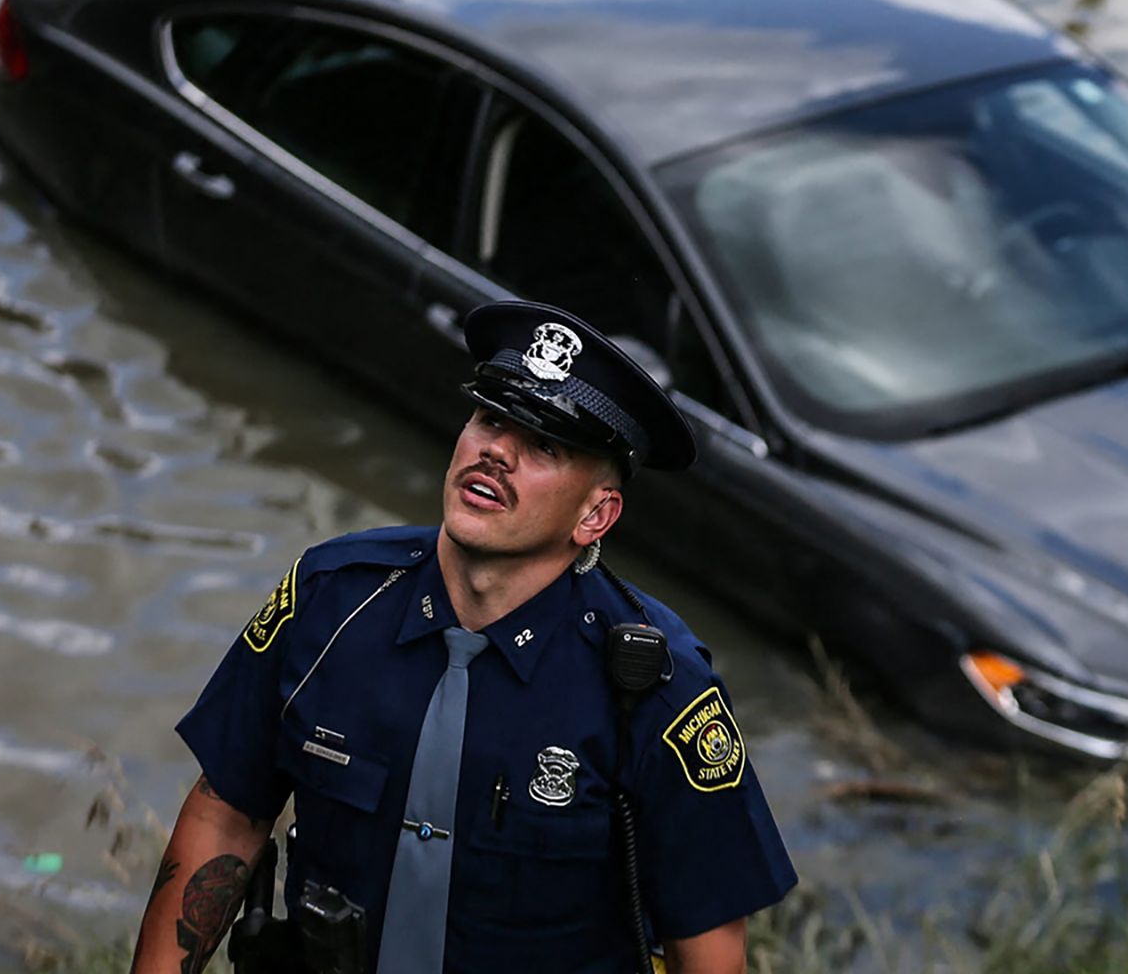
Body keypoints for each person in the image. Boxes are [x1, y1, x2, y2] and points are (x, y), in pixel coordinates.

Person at [130, 301, 798, 974]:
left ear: (597, 513)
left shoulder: (656, 686)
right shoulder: (330, 600)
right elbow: (227, 813)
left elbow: (708, 950)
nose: (495, 451)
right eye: (489, 418)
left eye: (544, 446)